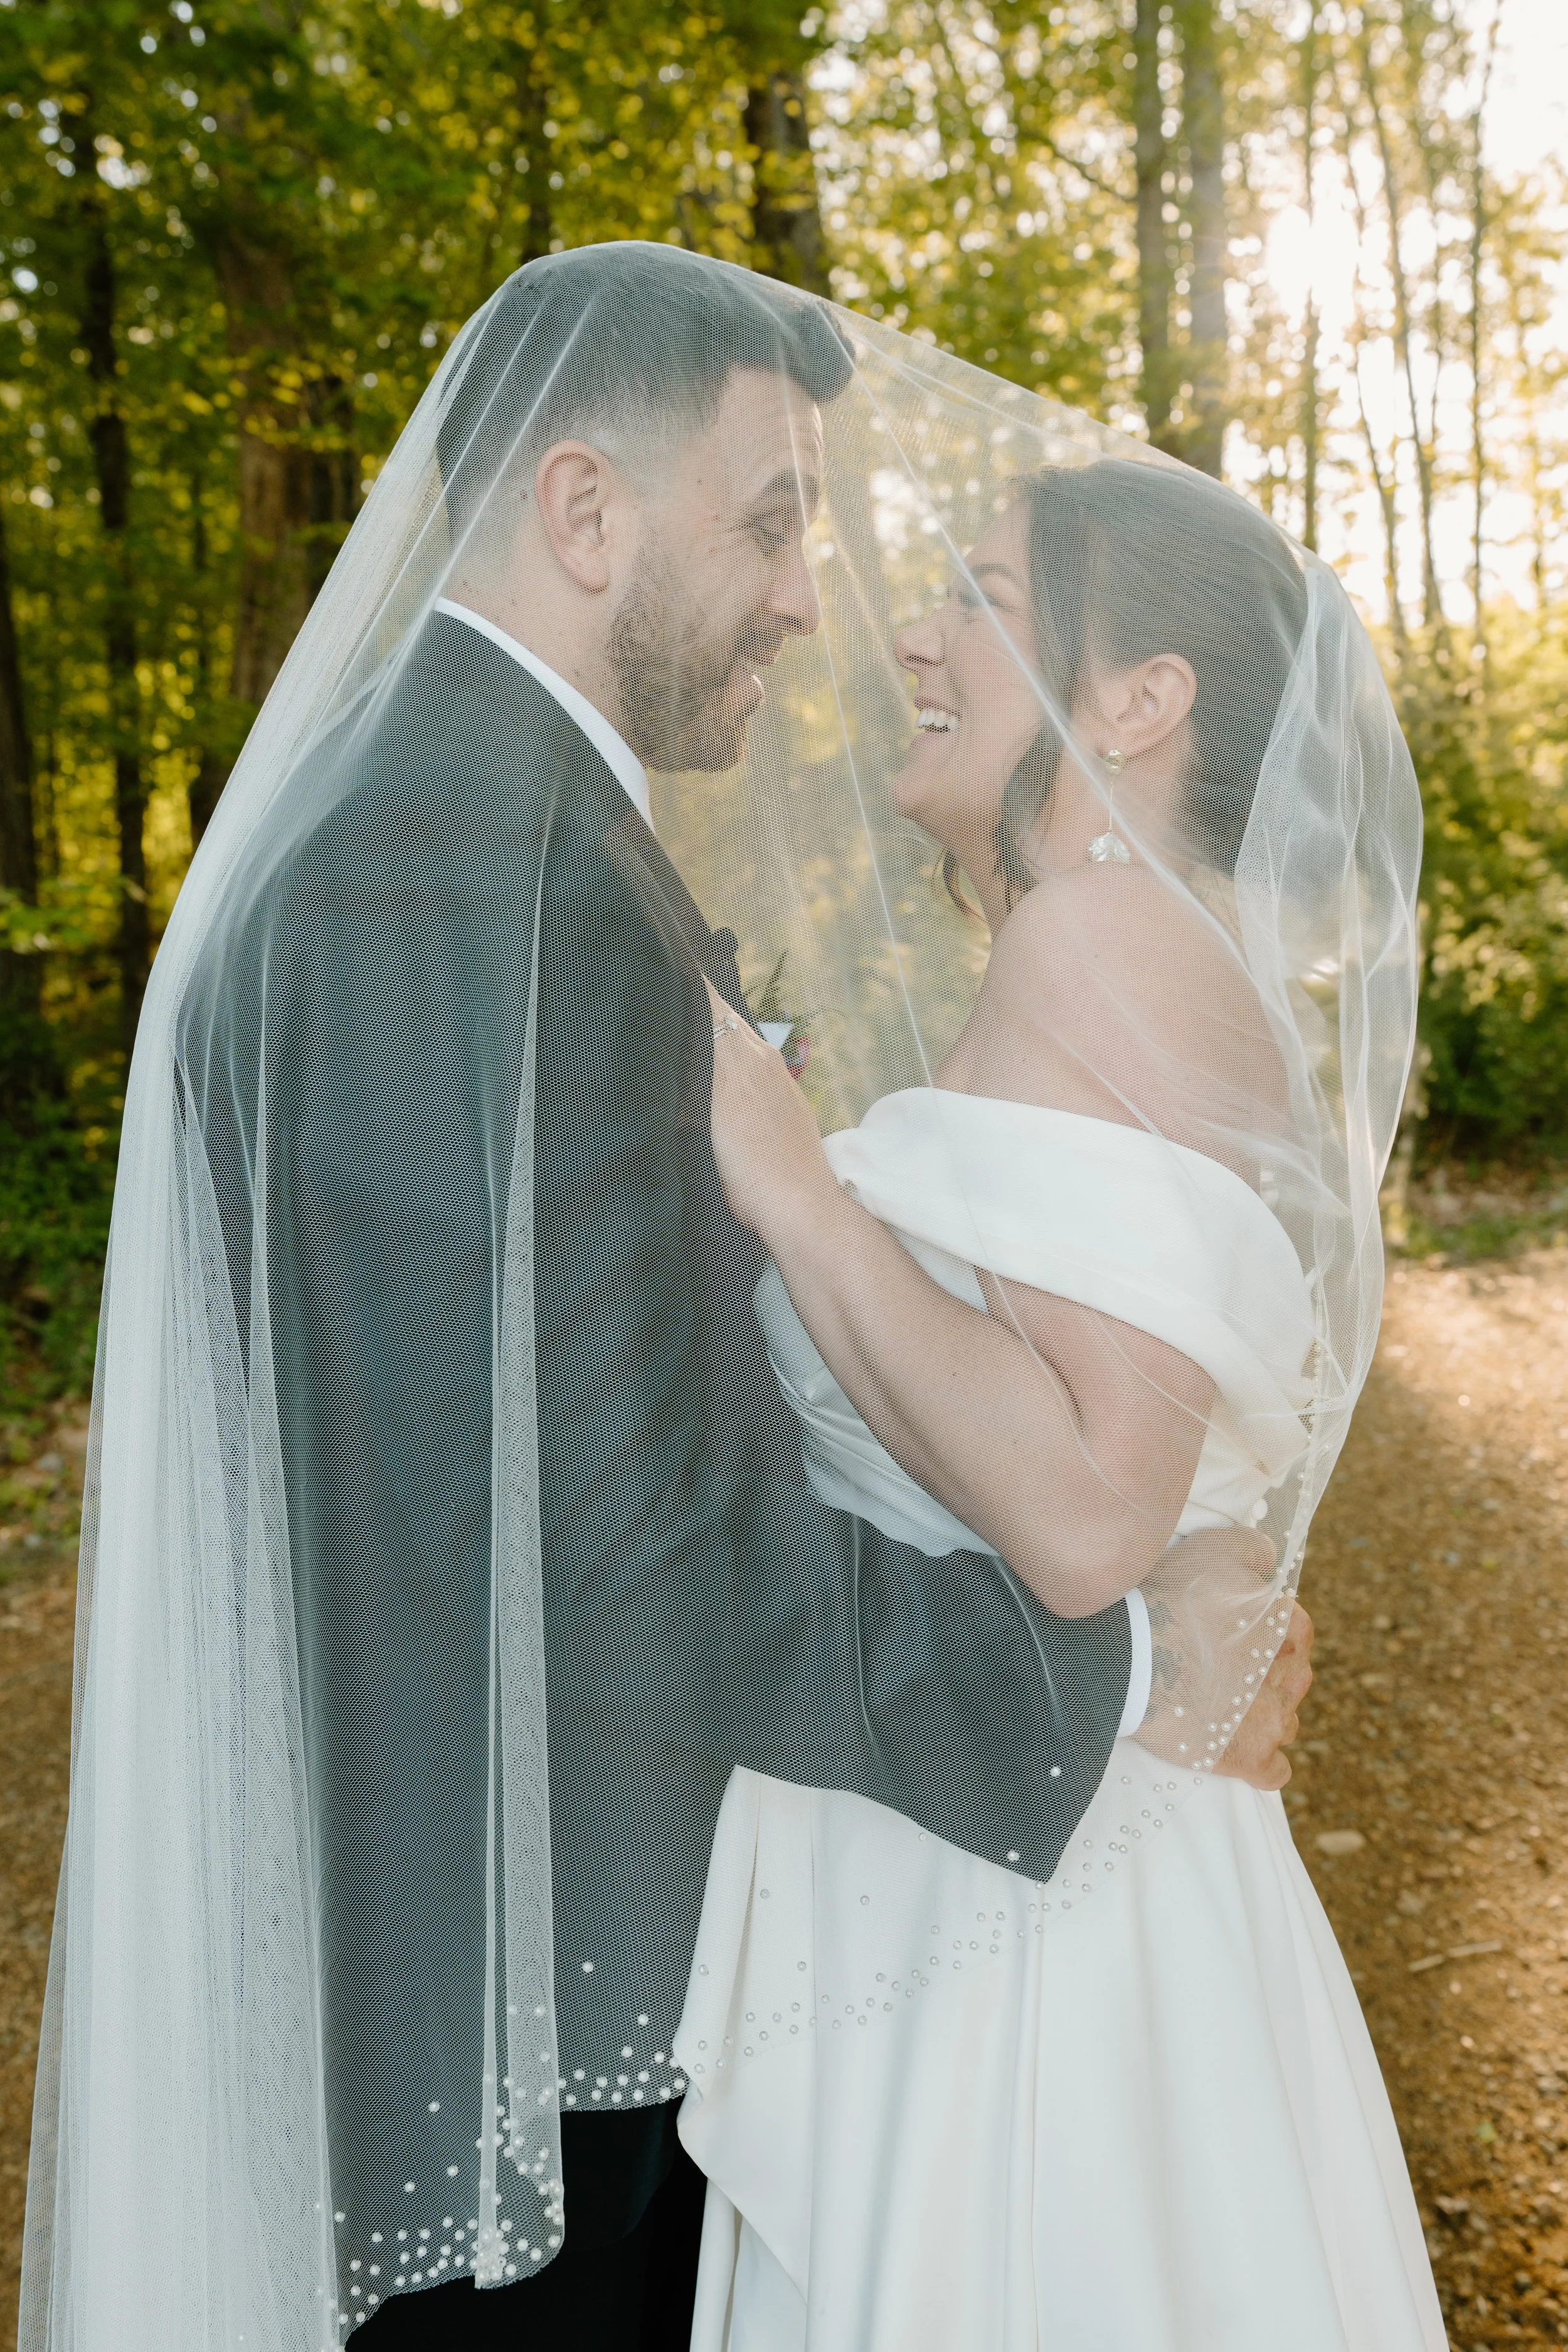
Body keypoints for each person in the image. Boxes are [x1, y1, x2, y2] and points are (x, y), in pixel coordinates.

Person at [19, 247, 1308, 2352]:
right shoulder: (473, 879)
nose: (815, 596)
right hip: (511, 2022)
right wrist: (1112, 1676)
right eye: (769, 520)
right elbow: (624, 1557)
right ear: (586, 515)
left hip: (555, 1964)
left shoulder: (469, 833)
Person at [676, 458, 1443, 2349]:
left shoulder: (1096, 945)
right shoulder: (1154, 962)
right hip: (1069, 1867)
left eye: (989, 597)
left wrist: (788, 1179)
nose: (919, 636)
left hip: (1014, 1939)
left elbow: (1097, 1517)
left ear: (1138, 700)